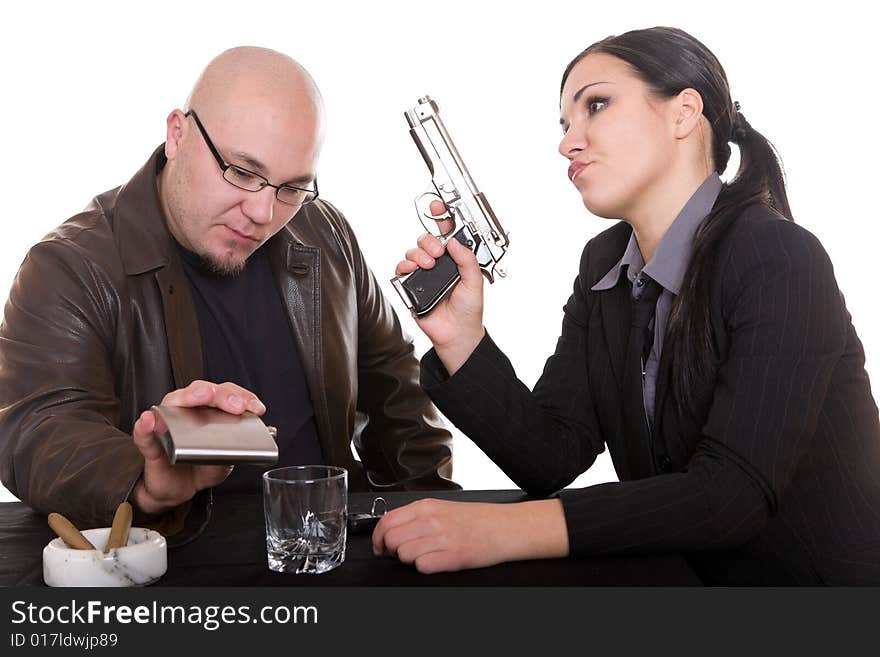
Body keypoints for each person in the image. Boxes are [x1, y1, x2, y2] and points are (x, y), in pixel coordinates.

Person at [374, 27, 880, 584]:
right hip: (680, 579)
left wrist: (500, 530)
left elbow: (731, 495)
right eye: (565, 124)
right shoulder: (605, 263)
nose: (568, 142)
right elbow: (551, 454)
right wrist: (460, 340)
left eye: (596, 105)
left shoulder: (780, 258)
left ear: (684, 113)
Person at [0, 46, 457, 545]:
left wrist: (430, 520)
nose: (263, 211)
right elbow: (36, 429)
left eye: (292, 187)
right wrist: (146, 481)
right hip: (171, 570)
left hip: (329, 554)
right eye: (241, 172)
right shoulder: (70, 265)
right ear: (177, 134)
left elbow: (397, 391)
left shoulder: (325, 234)